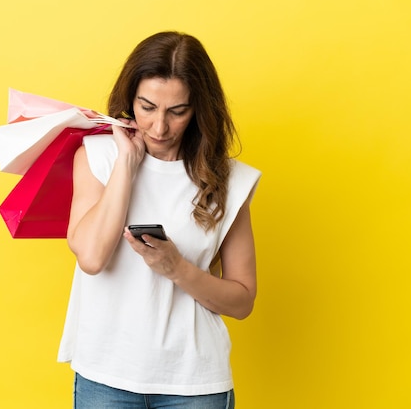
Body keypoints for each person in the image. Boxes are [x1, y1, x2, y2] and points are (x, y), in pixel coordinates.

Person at [58, 31, 261, 409]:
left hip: (195, 382)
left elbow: (242, 301)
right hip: (106, 377)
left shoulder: (230, 180)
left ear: (200, 109)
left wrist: (176, 268)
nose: (159, 128)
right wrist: (127, 164)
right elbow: (91, 257)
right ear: (130, 98)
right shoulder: (98, 157)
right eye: (147, 107)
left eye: (177, 111)